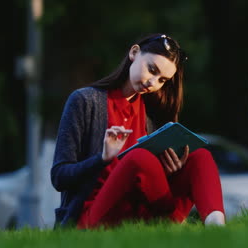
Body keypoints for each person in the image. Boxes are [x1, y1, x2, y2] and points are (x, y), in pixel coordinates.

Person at [51, 34, 225, 229]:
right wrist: (102, 159)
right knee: (139, 157)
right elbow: (59, 176)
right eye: (152, 70)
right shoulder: (85, 101)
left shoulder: (150, 116)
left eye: (162, 80)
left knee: (200, 156)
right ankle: (173, 223)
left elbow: (146, 183)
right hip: (92, 216)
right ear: (134, 53)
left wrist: (166, 171)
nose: (153, 83)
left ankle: (216, 228)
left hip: (141, 216)